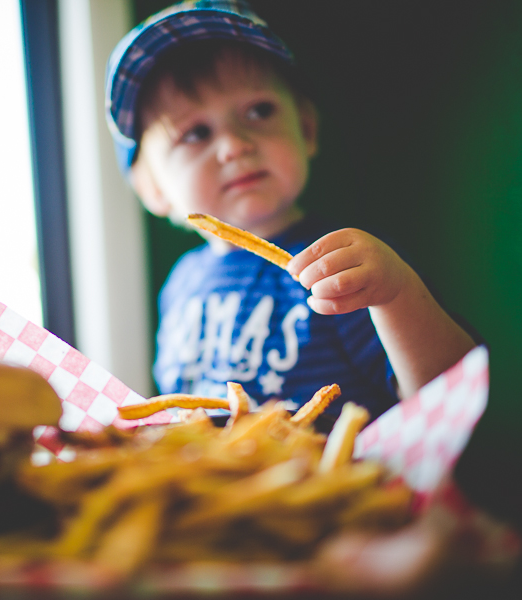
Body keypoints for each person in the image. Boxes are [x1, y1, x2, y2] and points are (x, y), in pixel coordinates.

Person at [104, 0, 475, 421]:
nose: (234, 145)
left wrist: (396, 294)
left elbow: (448, 397)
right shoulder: (179, 285)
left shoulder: (344, 267)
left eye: (258, 110)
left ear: (307, 129)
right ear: (153, 189)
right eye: (195, 133)